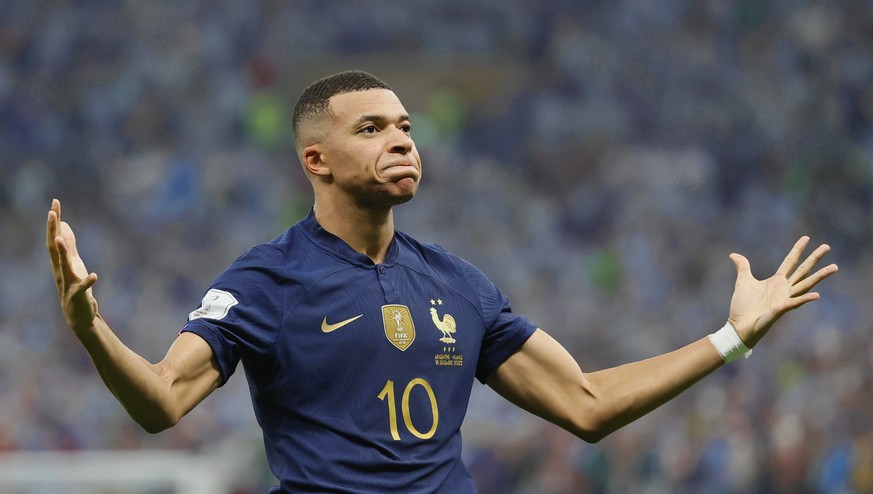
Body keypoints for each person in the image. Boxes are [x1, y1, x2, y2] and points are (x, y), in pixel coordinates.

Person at [46, 70, 838, 493]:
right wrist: (91, 329)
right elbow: (160, 402)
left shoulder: (459, 283)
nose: (400, 140)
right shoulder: (266, 280)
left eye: (405, 128)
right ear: (314, 160)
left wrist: (732, 337)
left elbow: (586, 406)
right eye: (372, 129)